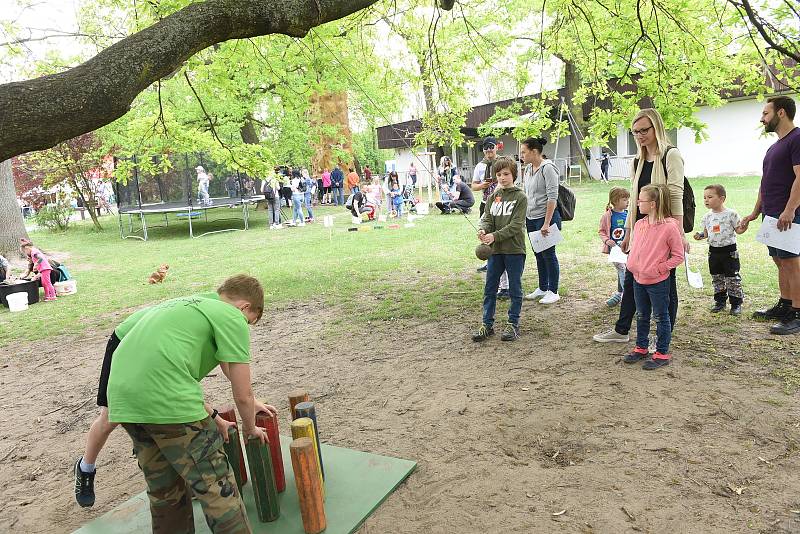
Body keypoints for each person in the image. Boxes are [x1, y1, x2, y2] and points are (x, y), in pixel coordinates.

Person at [73, 281, 278, 509]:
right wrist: (244, 420)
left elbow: (224, 363)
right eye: (248, 321)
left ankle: (154, 442)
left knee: (171, 392)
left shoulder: (214, 307)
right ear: (243, 307)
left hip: (155, 347)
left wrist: (250, 401)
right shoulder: (221, 312)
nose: (244, 326)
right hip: (127, 340)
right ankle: (86, 467)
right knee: (111, 417)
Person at [593, 108, 686, 349]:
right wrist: (628, 232)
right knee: (633, 277)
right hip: (641, 229)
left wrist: (678, 233)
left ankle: (663, 336)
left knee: (666, 285)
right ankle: (622, 330)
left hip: (664, 229)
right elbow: (635, 198)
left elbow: (676, 195)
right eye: (635, 132)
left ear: (656, 128)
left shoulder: (671, 155)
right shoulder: (638, 160)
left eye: (644, 130)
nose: (640, 135)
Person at [739, 95, 800, 335]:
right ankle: (785, 305)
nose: (762, 118)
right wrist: (755, 211)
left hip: (788, 213)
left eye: (766, 113)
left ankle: (797, 312)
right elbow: (765, 183)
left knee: (792, 262)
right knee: (779, 261)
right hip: (771, 214)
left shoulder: (797, 139)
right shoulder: (774, 147)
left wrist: (790, 209)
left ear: (781, 112)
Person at [624, 184, 685, 369]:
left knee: (661, 316)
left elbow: (678, 256)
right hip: (638, 279)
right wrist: (633, 264)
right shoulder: (640, 224)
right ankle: (641, 347)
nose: (637, 203)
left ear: (653, 204)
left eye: (641, 200)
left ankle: (662, 352)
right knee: (641, 314)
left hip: (657, 282)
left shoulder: (669, 227)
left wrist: (660, 268)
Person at [471, 156, 527, 343]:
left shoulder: (520, 197)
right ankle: (487, 324)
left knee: (515, 288)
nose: (502, 178)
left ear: (514, 175)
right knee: (490, 288)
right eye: (499, 174)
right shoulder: (493, 197)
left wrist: (494, 236)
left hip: (514, 250)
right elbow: (487, 217)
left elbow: (516, 226)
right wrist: (483, 229)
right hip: (494, 251)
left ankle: (513, 323)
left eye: (506, 174)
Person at [520, 137, 562, 305]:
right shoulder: (528, 169)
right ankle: (542, 287)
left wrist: (546, 223)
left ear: (534, 152)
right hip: (531, 218)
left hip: (546, 218)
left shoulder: (548, 168)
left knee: (549, 254)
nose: (521, 155)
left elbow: (552, 197)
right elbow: (526, 194)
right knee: (538, 253)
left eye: (524, 152)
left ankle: (554, 290)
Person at [693, 184, 746, 315]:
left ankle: (736, 303)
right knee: (717, 277)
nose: (706, 200)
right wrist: (699, 236)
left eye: (710, 197)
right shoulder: (707, 217)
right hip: (714, 252)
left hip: (729, 252)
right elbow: (706, 233)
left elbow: (738, 230)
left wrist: (744, 226)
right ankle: (720, 302)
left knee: (732, 278)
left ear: (722, 199)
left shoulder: (731, 214)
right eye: (704, 197)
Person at [472, 137, 501, 273]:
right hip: (485, 203)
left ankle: (497, 260)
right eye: (486, 147)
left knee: (498, 231)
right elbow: (474, 186)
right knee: (484, 232)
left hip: (500, 202)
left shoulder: (502, 162)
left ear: (497, 147)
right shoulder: (480, 166)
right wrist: (482, 185)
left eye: (491, 146)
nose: (489, 150)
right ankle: (488, 259)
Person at [599, 187, 630, 306]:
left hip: (627, 249)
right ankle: (628, 297)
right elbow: (601, 231)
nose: (627, 202)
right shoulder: (608, 215)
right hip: (615, 251)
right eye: (624, 199)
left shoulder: (628, 214)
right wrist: (607, 240)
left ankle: (619, 294)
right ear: (615, 201)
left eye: (628, 199)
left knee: (627, 270)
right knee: (622, 270)